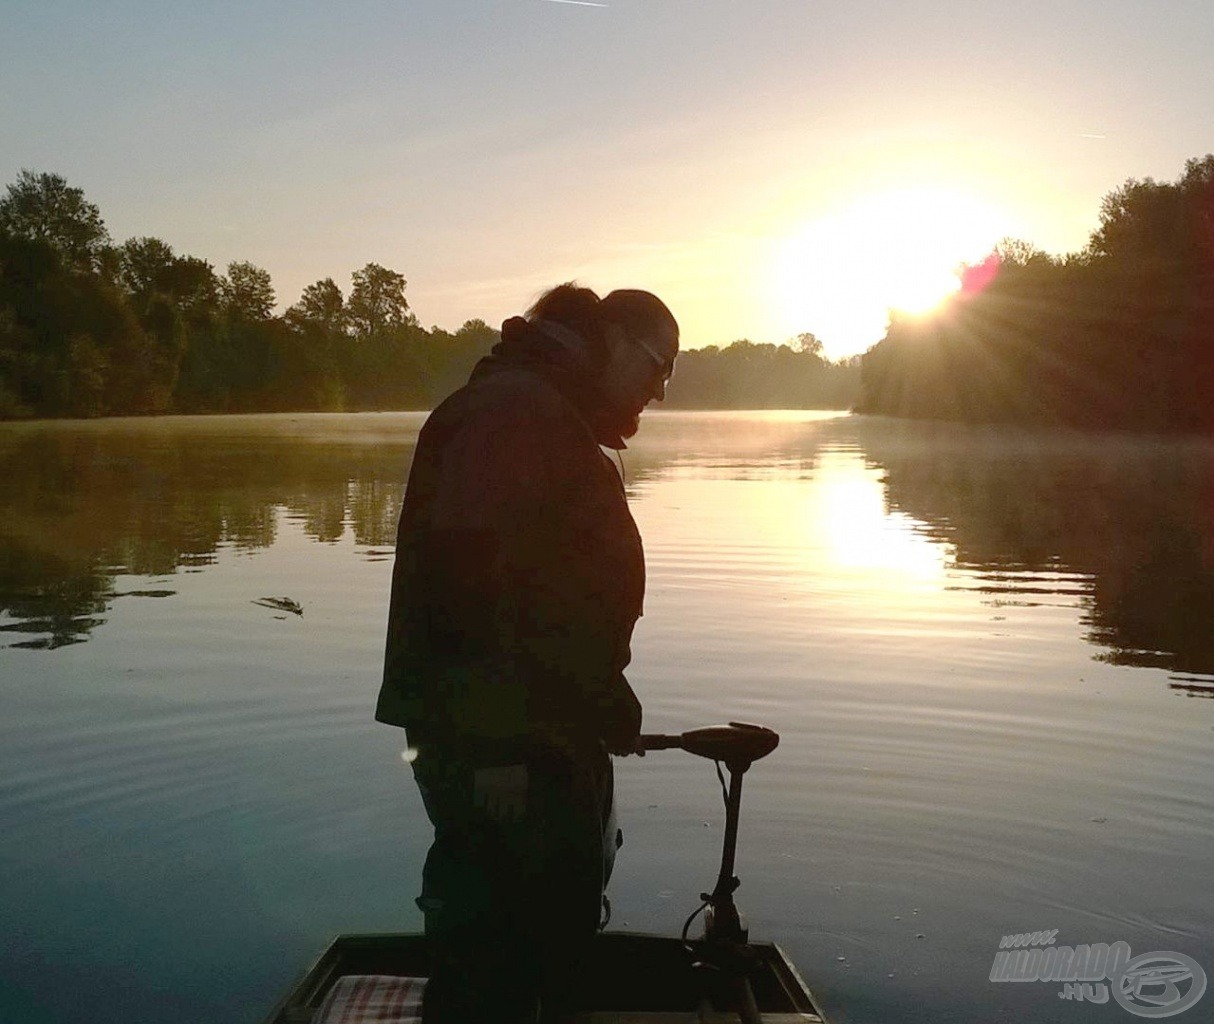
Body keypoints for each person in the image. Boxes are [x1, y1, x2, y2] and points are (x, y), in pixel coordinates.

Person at [376, 283, 679, 1023]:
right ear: (609, 342)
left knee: (540, 935)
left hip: (533, 731)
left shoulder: (543, 411)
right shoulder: (516, 413)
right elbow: (467, 580)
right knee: (497, 951)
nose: (660, 392)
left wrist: (605, 699)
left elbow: (550, 594)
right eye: (657, 366)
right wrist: (495, 747)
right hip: (504, 746)